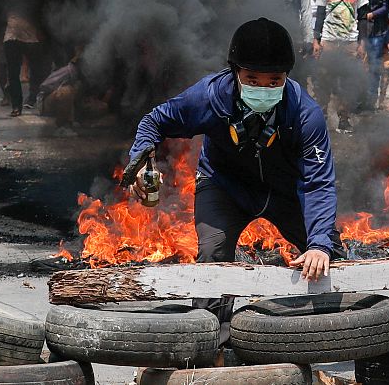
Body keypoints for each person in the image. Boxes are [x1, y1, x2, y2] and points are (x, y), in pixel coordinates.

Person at [121, 17, 344, 339]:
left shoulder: (305, 114)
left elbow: (318, 183)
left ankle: (341, 328)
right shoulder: (207, 97)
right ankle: (210, 339)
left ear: (287, 77)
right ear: (235, 72)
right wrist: (141, 159)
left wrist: (320, 244)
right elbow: (154, 122)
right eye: (252, 78)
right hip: (224, 187)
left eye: (273, 81)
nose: (263, 88)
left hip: (284, 193)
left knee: (327, 252)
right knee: (213, 260)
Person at [312, 0, 370, 133]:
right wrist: (316, 40)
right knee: (323, 80)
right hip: (328, 41)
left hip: (350, 43)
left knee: (348, 82)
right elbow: (320, 16)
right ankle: (321, 116)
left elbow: (362, 19)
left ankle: (344, 119)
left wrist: (362, 44)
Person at [353, 0, 389, 111]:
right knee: (359, 66)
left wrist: (371, 14)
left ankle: (371, 103)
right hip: (359, 31)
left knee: (374, 68)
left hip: (377, 31)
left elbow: (386, 7)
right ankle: (359, 101)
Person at [3, 4, 51, 116]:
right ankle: (16, 106)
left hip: (31, 36)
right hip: (12, 35)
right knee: (13, 73)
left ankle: (37, 99)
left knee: (38, 71)